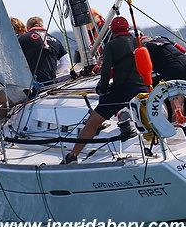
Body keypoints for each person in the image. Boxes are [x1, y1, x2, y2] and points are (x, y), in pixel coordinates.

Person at [61, 17, 148, 164]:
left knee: (92, 122)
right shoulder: (138, 42)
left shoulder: (111, 45)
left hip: (121, 91)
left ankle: (73, 156)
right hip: (141, 87)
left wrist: (102, 88)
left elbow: (106, 72)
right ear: (127, 29)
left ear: (112, 31)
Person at [18, 16, 69, 84]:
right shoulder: (56, 41)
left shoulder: (22, 39)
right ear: (42, 26)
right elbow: (66, 62)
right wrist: (54, 71)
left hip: (33, 85)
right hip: (51, 82)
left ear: (27, 28)